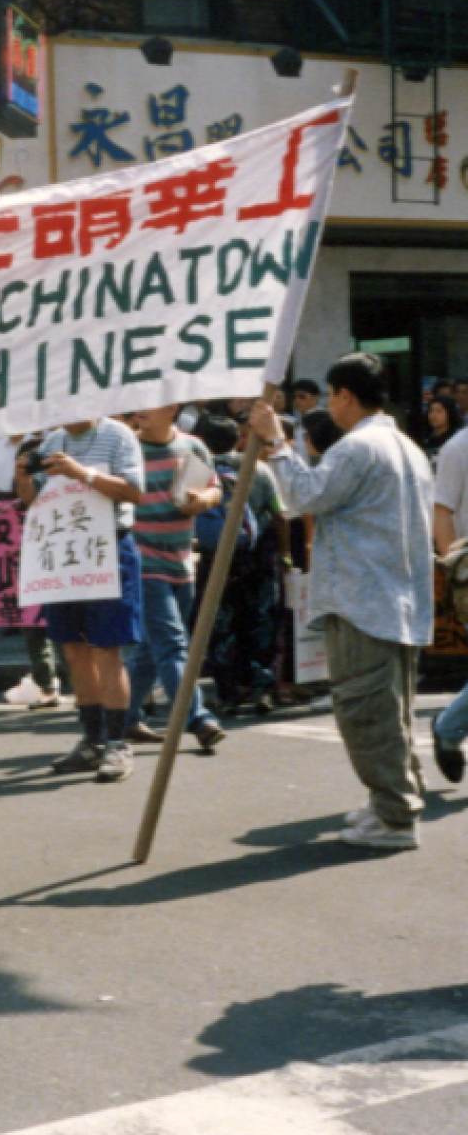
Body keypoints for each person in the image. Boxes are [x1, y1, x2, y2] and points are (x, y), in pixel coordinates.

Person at [250, 353, 434, 850]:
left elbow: (303, 497)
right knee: (388, 710)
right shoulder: (404, 446)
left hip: (364, 598)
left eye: (333, 394)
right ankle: (392, 802)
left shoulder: (359, 448)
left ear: (345, 395)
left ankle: (395, 815)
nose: (331, 404)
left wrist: (275, 442)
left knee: (366, 710)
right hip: (393, 597)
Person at [16, 416, 146, 783]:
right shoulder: (50, 439)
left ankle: (118, 742)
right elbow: (33, 500)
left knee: (108, 649)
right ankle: (91, 739)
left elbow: (135, 491)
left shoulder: (117, 435)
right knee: (72, 649)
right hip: (63, 551)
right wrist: (23, 477)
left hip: (107, 546)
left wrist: (80, 473)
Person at [125, 405, 226, 750]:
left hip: (183, 558)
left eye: (149, 404)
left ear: (171, 409)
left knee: (151, 652)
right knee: (172, 642)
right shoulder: (128, 448)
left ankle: (125, 716)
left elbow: (215, 489)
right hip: (142, 559)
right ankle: (197, 718)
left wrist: (202, 501)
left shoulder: (193, 446)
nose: (140, 411)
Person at [196, 414, 289, 716]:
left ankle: (227, 693)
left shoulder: (199, 471)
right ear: (238, 438)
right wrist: (285, 554)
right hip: (258, 555)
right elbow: (279, 514)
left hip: (216, 557)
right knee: (261, 620)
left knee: (221, 624)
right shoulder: (259, 469)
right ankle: (262, 688)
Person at [0, 432, 65, 709]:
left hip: (59, 550)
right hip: (16, 543)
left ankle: (79, 681)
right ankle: (47, 682)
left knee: (65, 618)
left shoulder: (52, 452)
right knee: (31, 617)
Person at [429, 419, 468, 785]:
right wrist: (454, 569)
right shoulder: (459, 447)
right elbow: (442, 512)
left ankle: (449, 725)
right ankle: (449, 726)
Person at [419, 394, 461, 470]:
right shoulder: (426, 440)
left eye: (439, 411)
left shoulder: (456, 440)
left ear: (449, 413)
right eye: (431, 411)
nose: (433, 415)